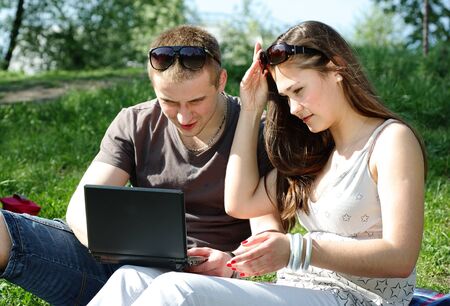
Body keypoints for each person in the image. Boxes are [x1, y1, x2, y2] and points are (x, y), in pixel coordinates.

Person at [90, 20, 426, 305]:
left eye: (299, 90)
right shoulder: (316, 150)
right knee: (130, 279)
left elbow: (400, 257)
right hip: (296, 289)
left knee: (176, 289)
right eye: (285, 96)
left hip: (353, 298)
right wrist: (251, 108)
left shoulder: (391, 141)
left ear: (336, 68)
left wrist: (297, 249)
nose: (293, 109)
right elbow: (239, 202)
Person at [0, 25, 281, 305]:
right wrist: (124, 252)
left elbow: (267, 231)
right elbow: (80, 208)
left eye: (196, 101)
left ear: (221, 81)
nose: (183, 116)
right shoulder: (136, 122)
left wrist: (232, 264)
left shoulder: (254, 131)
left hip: (209, 281)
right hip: (125, 267)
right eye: (169, 101)